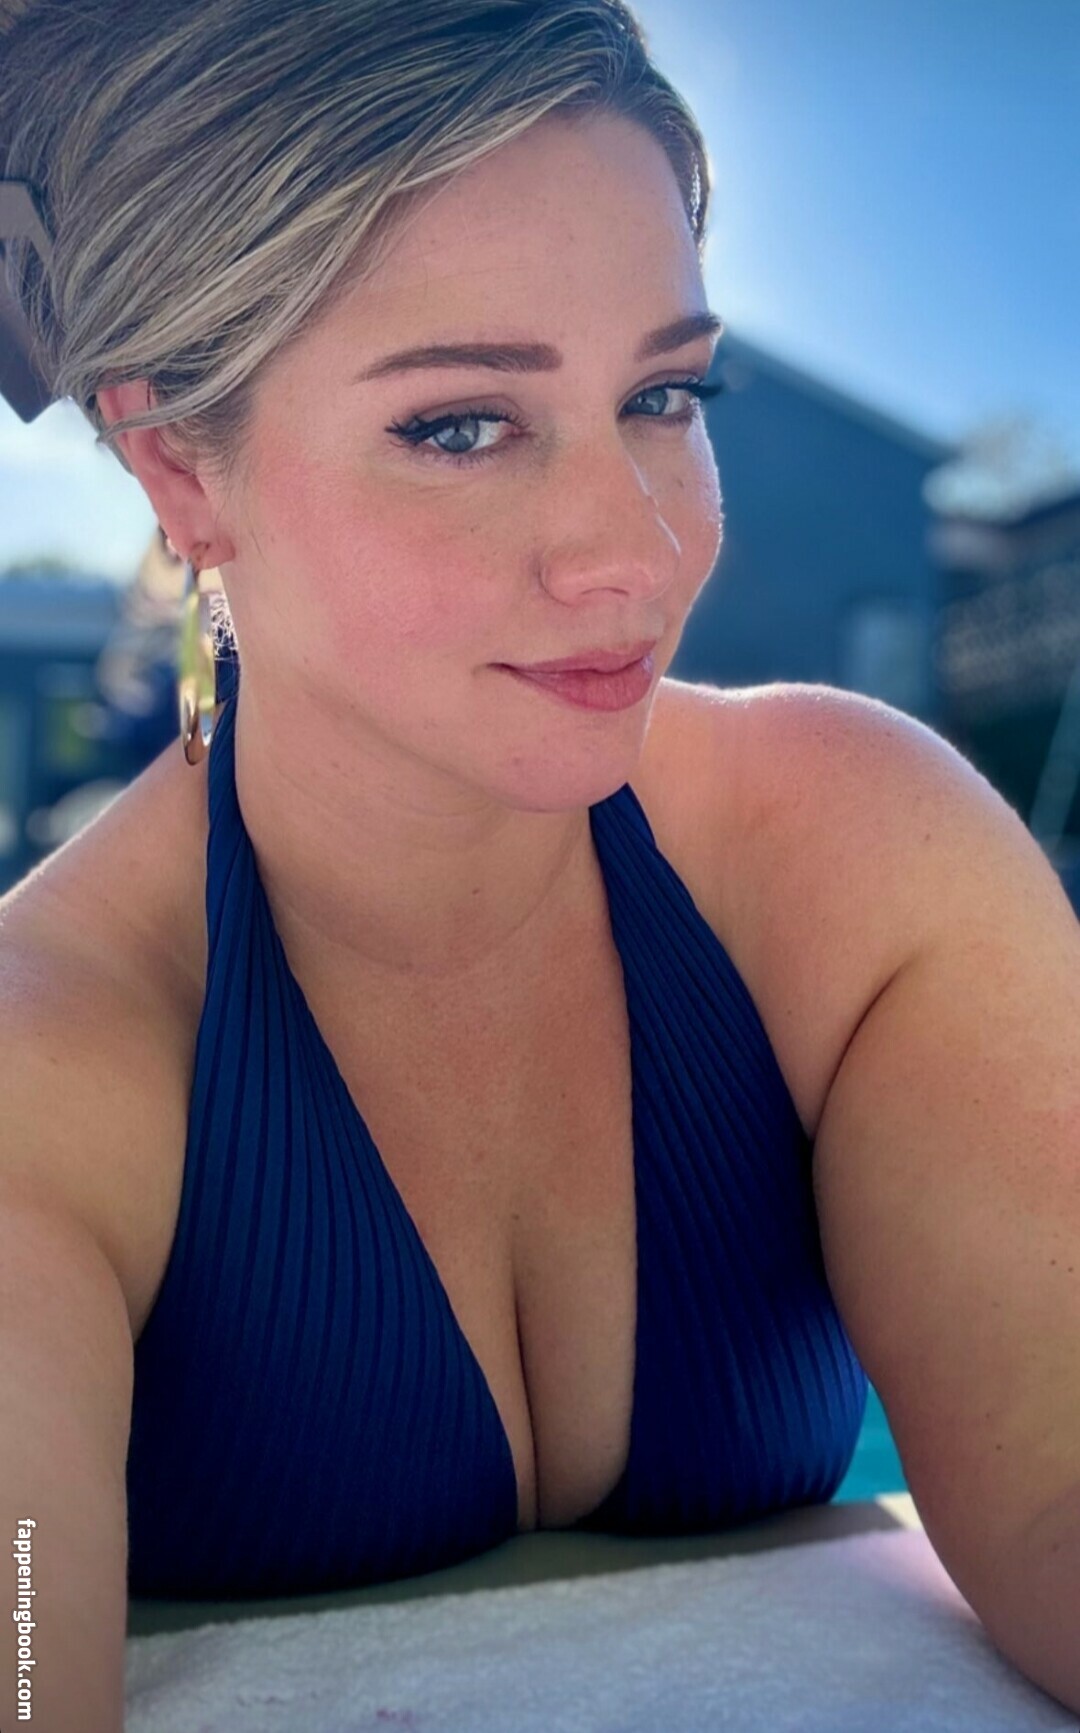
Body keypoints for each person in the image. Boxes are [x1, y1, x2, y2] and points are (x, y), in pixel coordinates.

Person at [1, 2, 1079, 1728]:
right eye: (461, 425)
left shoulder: (858, 863)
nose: (631, 548)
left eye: (663, 394)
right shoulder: (45, 1056)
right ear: (179, 467)